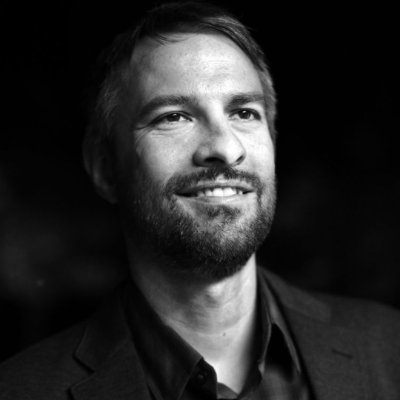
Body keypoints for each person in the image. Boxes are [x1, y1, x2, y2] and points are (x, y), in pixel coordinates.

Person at [1, 2, 400, 399]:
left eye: (244, 112)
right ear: (105, 169)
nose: (225, 148)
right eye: (173, 116)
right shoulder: (20, 390)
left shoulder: (388, 347)